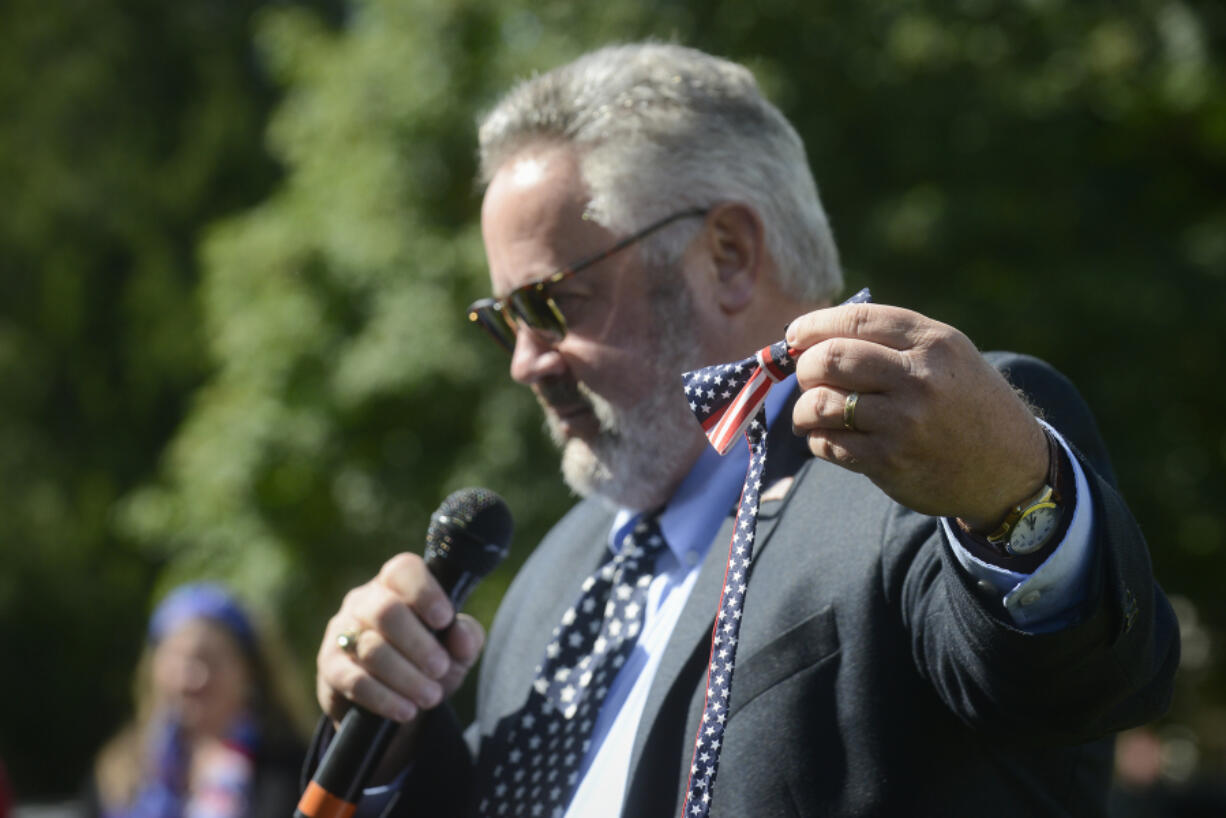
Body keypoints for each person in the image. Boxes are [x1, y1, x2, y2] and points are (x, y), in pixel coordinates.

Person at [310, 43, 1180, 816]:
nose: (525, 363)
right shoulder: (554, 579)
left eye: (548, 304)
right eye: (504, 321)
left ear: (726, 254)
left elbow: (1080, 685)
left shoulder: (929, 469)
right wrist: (387, 741)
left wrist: (1014, 500)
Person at [85, 582, 311, 818]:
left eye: (210, 660)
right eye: (176, 659)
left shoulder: (294, 770)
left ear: (250, 672)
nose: (190, 678)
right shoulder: (119, 768)